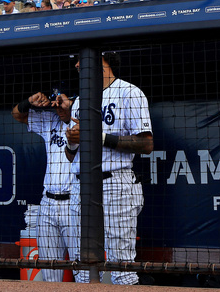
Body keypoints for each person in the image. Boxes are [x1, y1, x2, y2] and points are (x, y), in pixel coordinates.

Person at [65, 52, 153, 285]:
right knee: (82, 269)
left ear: (101, 60)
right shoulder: (81, 100)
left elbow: (146, 144)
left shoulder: (129, 92)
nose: (76, 65)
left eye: (81, 60)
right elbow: (71, 155)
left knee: (121, 268)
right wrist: (73, 140)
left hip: (115, 183)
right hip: (81, 185)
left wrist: (99, 137)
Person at [12, 91, 75, 282]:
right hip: (48, 202)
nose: (59, 109)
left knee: (84, 269)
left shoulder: (87, 122)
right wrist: (29, 101)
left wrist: (71, 108)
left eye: (62, 105)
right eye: (55, 105)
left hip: (76, 202)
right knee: (49, 271)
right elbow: (17, 114)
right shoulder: (50, 120)